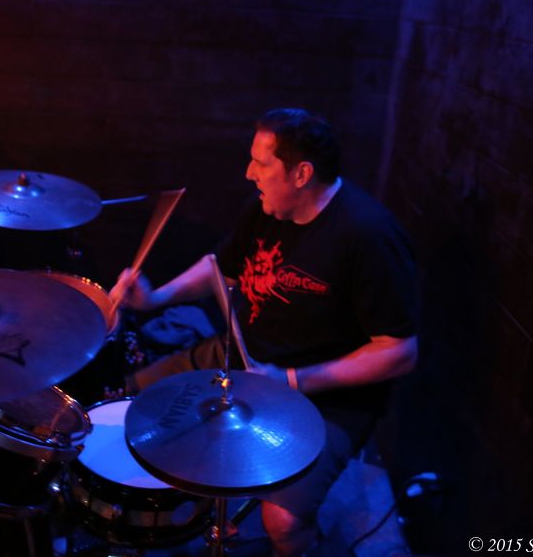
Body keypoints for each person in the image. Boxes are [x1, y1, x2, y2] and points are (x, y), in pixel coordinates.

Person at [110, 108, 418, 556]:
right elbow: (221, 271)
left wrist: (291, 380)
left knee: (283, 523)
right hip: (246, 360)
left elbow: (399, 352)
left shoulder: (368, 236)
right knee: (129, 407)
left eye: (260, 162)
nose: (248, 173)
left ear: (301, 173)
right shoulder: (266, 209)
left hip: (328, 396)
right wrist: (155, 298)